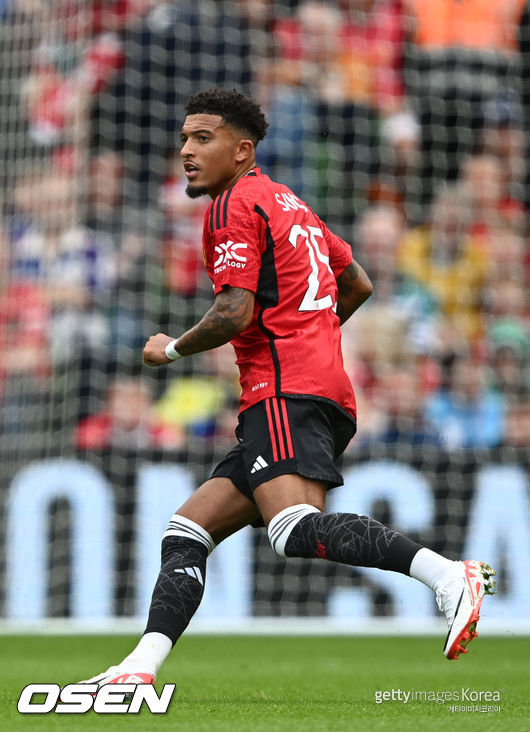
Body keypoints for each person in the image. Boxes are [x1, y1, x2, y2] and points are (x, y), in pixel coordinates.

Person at [80, 89, 496, 690]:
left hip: (284, 391)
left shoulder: (232, 204)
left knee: (293, 528)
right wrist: (310, 336)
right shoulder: (291, 202)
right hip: (309, 388)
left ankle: (448, 575)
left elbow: (233, 311)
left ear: (242, 150)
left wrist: (169, 350)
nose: (186, 152)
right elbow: (356, 282)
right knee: (186, 531)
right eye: (183, 139)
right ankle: (139, 668)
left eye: (203, 138)